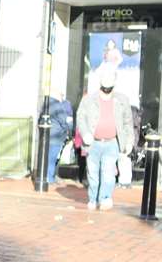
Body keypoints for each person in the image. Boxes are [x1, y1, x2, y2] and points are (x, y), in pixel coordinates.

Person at [76, 62, 135, 210]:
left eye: (111, 79)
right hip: (93, 143)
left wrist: (129, 142)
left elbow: (128, 122)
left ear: (114, 82)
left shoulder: (122, 100)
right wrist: (85, 134)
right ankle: (93, 198)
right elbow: (80, 118)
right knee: (93, 175)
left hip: (112, 143)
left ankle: (105, 198)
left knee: (108, 174)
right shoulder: (88, 100)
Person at [43, 95, 74, 187]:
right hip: (57, 135)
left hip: (48, 134)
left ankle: (49, 176)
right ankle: (50, 178)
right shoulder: (58, 106)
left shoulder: (46, 104)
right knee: (53, 158)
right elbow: (64, 121)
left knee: (49, 158)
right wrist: (69, 129)